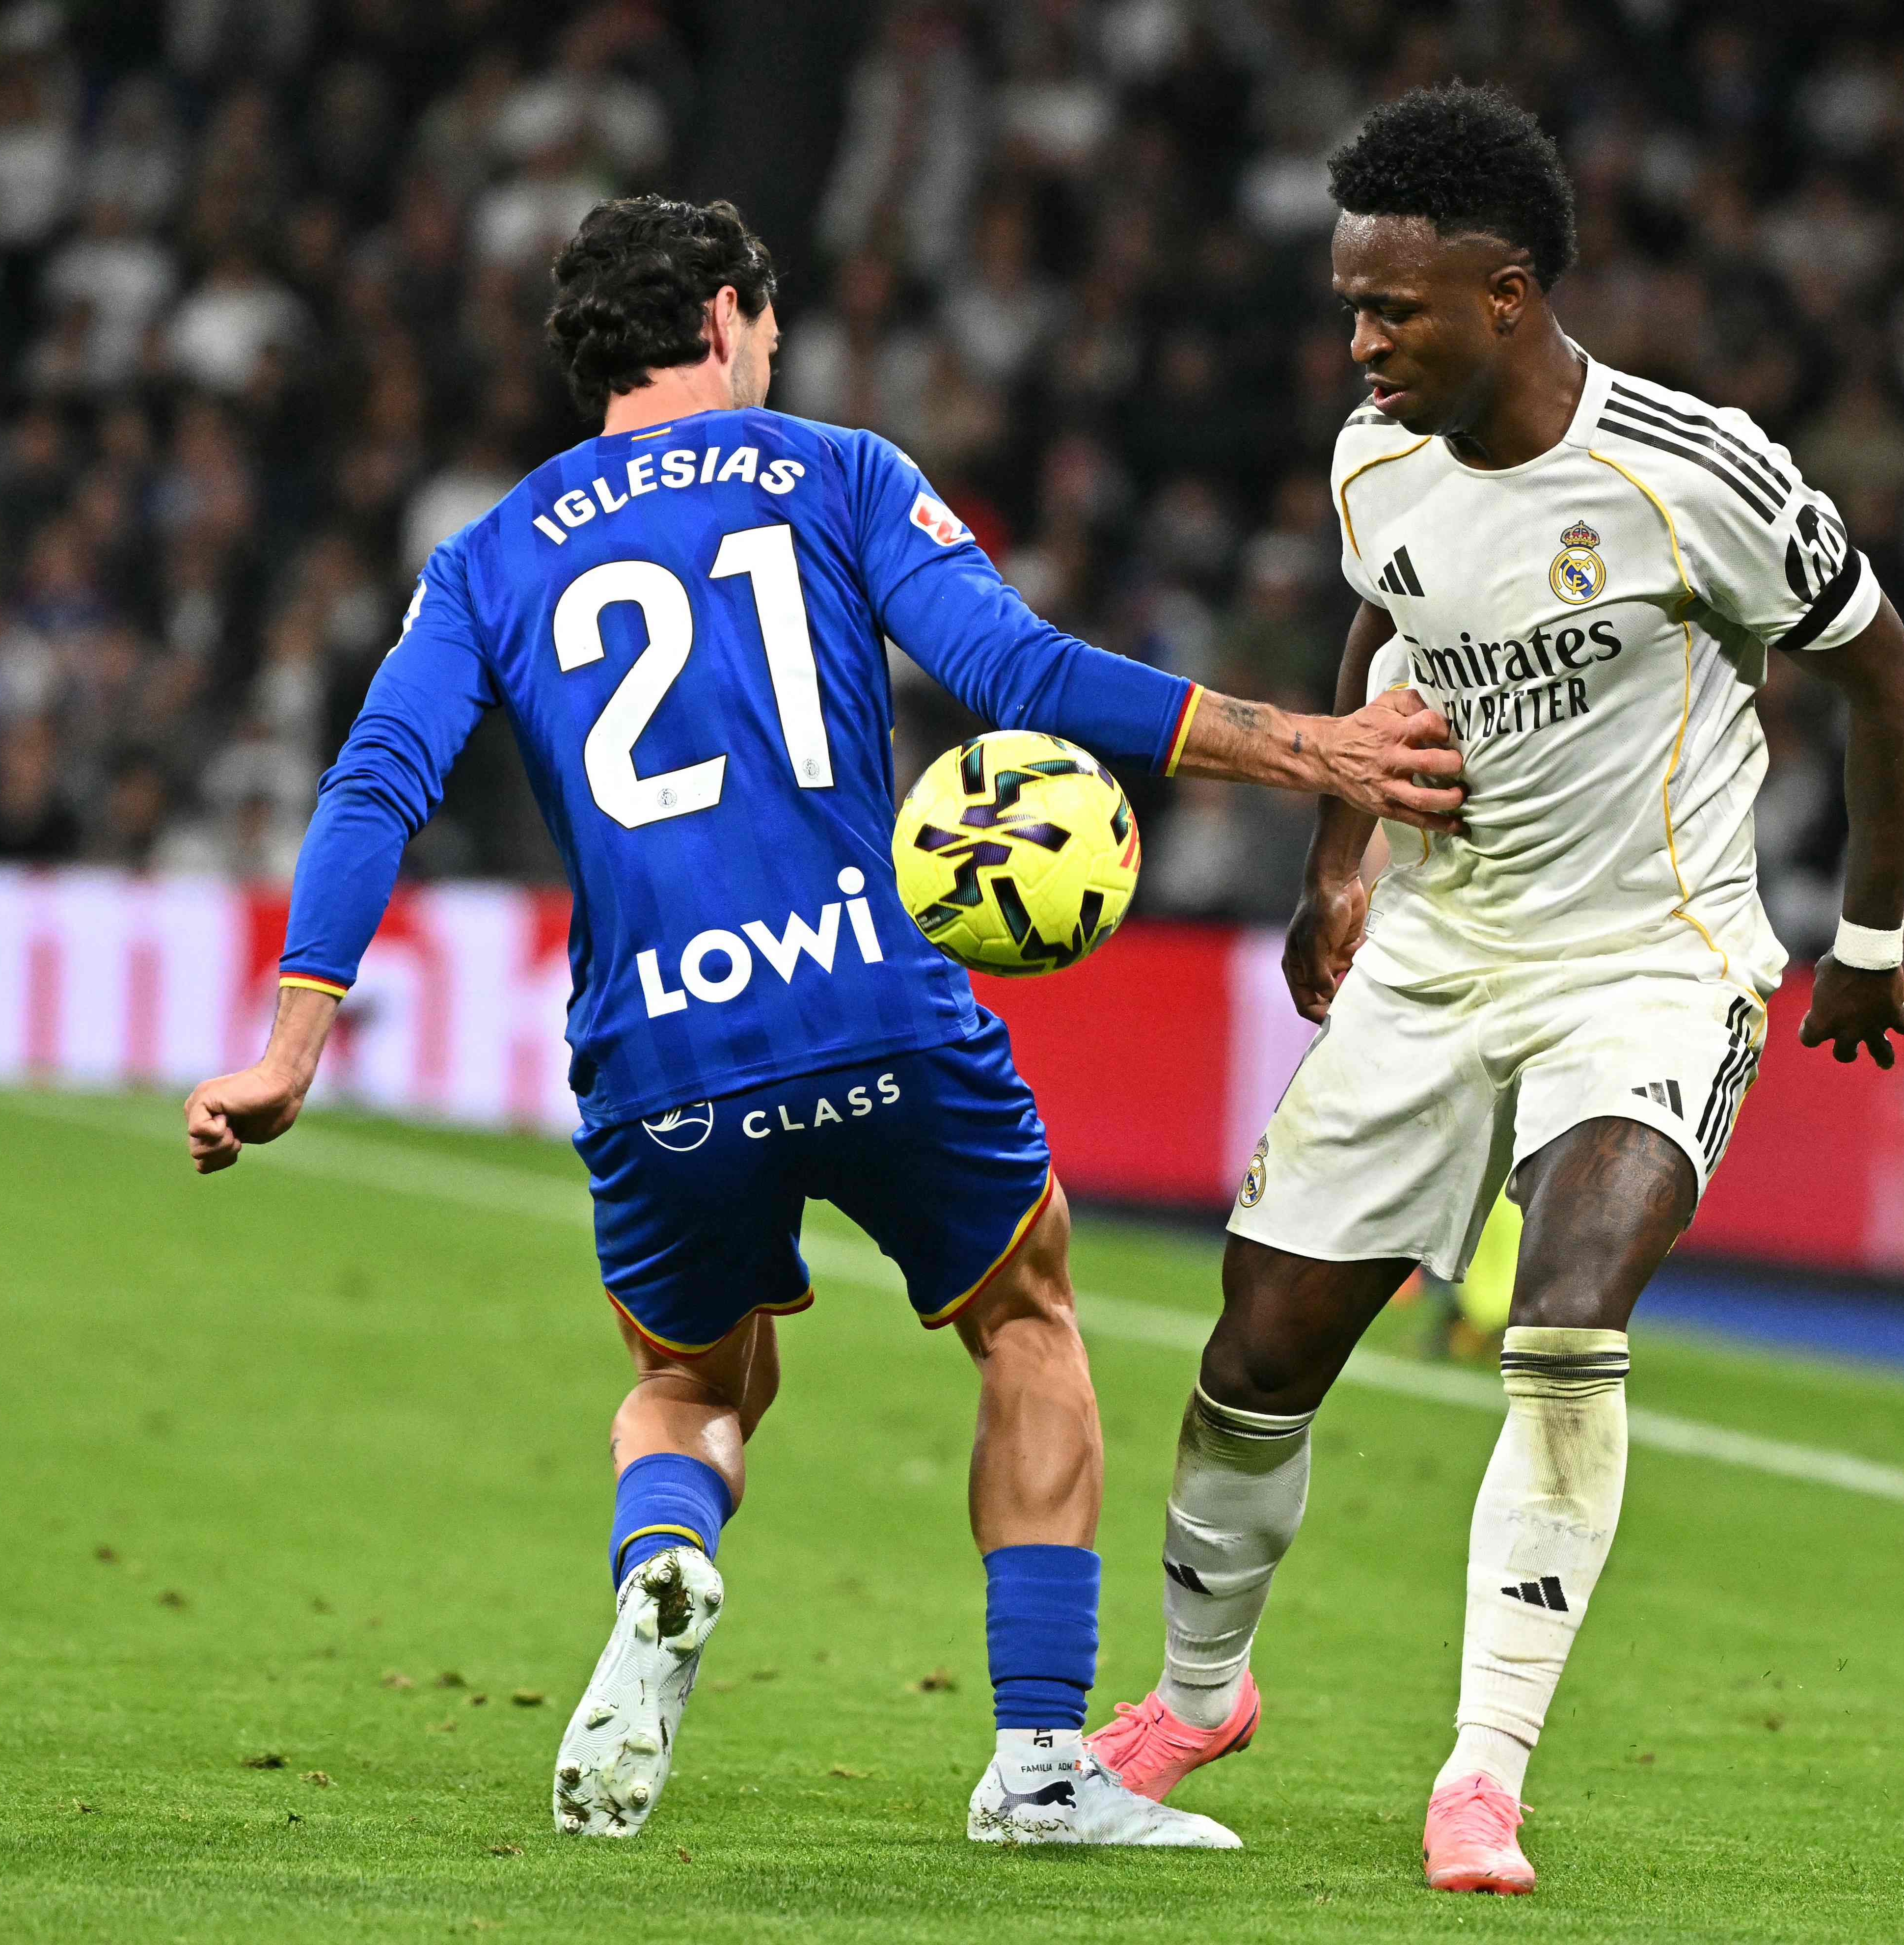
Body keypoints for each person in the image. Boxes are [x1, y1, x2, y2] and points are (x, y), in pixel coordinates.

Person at [178, 196, 1463, 1849]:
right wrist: (1319, 749)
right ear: (726, 316)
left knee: (689, 1380)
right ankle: (1042, 1766)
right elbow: (1018, 671)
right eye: (767, 330)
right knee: (1026, 1313)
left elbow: (375, 788)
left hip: (657, 1050)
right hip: (877, 1002)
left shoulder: (487, 553)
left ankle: (665, 1559)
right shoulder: (834, 468)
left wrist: (293, 1045)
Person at [1084, 87, 1904, 1894]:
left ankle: (1484, 1772)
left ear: (1508, 293)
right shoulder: (1371, 464)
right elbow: (1379, 624)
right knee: (1258, 1354)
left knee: (1561, 1319)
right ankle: (1198, 1695)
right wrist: (1339, 859)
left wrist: (1864, 941)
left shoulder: (1695, 473)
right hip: (1442, 957)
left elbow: (1889, 680)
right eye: (1348, 307)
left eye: (1393, 309)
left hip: (1653, 958)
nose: (1361, 341)